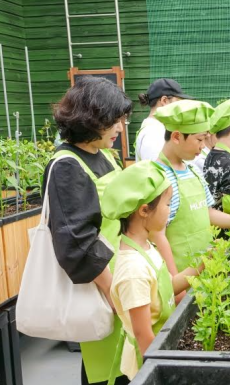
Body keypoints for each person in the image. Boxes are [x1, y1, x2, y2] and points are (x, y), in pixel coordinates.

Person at [43, 77, 132, 385]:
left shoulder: (103, 155)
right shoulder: (67, 165)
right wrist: (115, 295)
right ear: (92, 118)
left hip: (121, 276)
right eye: (114, 121)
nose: (120, 128)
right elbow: (77, 242)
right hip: (100, 286)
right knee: (107, 369)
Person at [103, 161, 203, 381]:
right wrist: (163, 375)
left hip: (162, 346)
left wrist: (203, 265)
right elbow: (144, 335)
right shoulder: (133, 271)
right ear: (144, 210)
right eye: (168, 204)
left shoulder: (147, 247)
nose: (170, 211)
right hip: (146, 362)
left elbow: (168, 287)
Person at [152, 100, 230, 276]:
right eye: (199, 139)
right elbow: (157, 235)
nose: (203, 146)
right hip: (181, 277)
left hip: (205, 273)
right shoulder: (159, 177)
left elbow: (207, 212)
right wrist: (175, 284)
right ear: (176, 137)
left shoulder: (193, 170)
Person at [135, 79, 194, 162]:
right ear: (164, 100)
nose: (180, 107)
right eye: (177, 101)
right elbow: (155, 169)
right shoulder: (153, 133)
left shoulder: (156, 128)